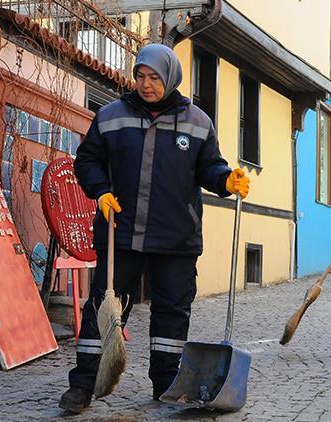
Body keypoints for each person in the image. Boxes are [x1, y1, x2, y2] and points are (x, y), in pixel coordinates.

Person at [59, 44, 251, 413]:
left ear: (171, 78)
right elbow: (88, 161)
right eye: (140, 76)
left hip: (176, 235)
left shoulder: (198, 122)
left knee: (172, 312)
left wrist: (227, 180)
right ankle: (83, 385)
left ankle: (166, 382)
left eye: (155, 78)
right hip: (122, 233)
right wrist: (100, 192)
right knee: (105, 308)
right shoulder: (111, 116)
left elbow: (209, 167)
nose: (146, 84)